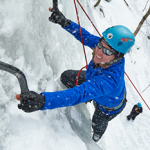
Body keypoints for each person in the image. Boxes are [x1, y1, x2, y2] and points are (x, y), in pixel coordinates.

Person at [17, 8, 135, 142]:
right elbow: (86, 37)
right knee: (66, 76)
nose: (99, 52)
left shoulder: (109, 81)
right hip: (94, 79)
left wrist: (43, 101)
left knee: (98, 122)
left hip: (108, 107)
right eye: (100, 45)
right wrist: (65, 23)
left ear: (117, 57)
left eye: (107, 52)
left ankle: (97, 135)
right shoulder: (105, 48)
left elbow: (78, 94)